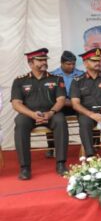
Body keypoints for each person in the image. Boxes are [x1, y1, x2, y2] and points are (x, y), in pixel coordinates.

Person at [11, 49, 69, 179]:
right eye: (40, 60)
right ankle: (25, 167)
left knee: (60, 121)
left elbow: (61, 100)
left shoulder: (56, 79)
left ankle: (61, 163)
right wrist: (32, 114)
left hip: (51, 113)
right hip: (29, 114)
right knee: (20, 122)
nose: (44, 62)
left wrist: (51, 112)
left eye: (45, 60)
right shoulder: (20, 81)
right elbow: (16, 103)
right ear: (30, 63)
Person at [48, 50, 83, 158]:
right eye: (68, 64)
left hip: (76, 104)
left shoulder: (81, 74)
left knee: (89, 113)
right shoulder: (52, 75)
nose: (71, 66)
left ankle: (92, 144)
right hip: (60, 105)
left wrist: (74, 102)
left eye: (73, 64)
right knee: (51, 115)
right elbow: (50, 96)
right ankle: (51, 147)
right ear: (61, 63)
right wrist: (63, 101)